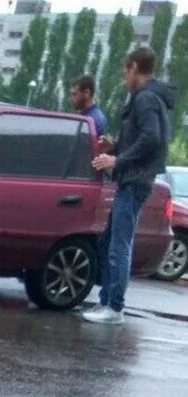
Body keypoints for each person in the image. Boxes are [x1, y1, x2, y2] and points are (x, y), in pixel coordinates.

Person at [85, 46, 177, 325]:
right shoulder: (150, 98)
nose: (125, 77)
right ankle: (107, 304)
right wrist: (117, 146)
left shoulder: (145, 99)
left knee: (119, 246)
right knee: (110, 241)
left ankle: (114, 308)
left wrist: (117, 160)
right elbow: (147, 138)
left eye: (126, 71)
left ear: (134, 67)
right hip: (135, 178)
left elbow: (152, 139)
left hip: (134, 179)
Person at [69, 74, 108, 140]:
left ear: (87, 93)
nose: (71, 98)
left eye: (74, 94)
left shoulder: (92, 121)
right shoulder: (88, 116)